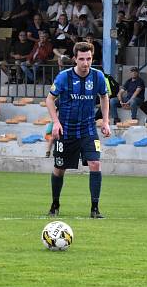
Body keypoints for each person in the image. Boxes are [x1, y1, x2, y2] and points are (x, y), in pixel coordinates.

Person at [46, 42, 111, 219]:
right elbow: (50, 100)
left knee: (95, 164)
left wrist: (105, 121)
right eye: (81, 59)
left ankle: (95, 208)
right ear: (75, 59)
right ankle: (55, 204)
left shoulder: (98, 77)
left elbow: (104, 97)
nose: (85, 63)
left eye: (88, 59)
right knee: (60, 168)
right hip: (66, 131)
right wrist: (56, 123)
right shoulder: (63, 77)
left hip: (88, 130)